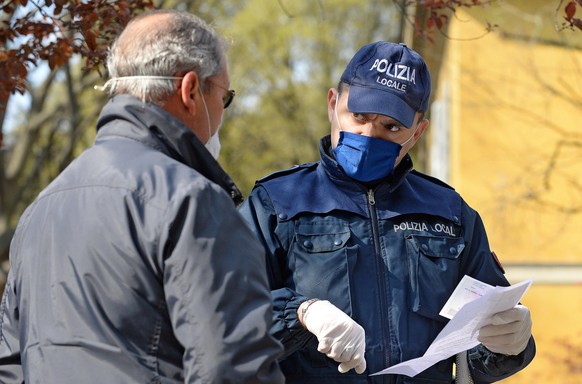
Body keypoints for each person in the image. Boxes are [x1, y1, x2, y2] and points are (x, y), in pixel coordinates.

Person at [0, 10, 284, 383]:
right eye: (225, 97)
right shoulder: (193, 201)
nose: (222, 110)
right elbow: (234, 369)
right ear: (191, 91)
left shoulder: (41, 209)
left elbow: (12, 364)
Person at [238, 41, 535, 383]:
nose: (368, 134)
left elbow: (478, 349)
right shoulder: (278, 203)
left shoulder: (450, 214)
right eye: (359, 116)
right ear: (333, 105)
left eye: (391, 127)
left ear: (418, 132)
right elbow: (229, 314)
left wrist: (509, 344)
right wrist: (301, 314)